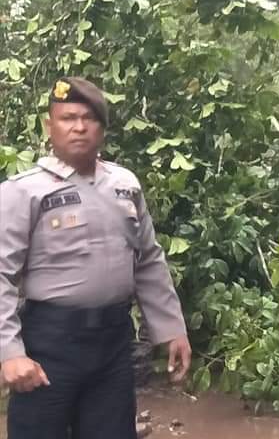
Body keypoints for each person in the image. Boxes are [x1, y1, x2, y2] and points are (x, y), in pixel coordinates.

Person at [0, 78, 192, 439]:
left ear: (102, 127)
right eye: (67, 118)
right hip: (49, 344)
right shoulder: (23, 191)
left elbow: (148, 260)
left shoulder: (124, 185)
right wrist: (10, 352)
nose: (79, 127)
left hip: (113, 344)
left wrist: (171, 329)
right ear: (49, 126)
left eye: (89, 118)